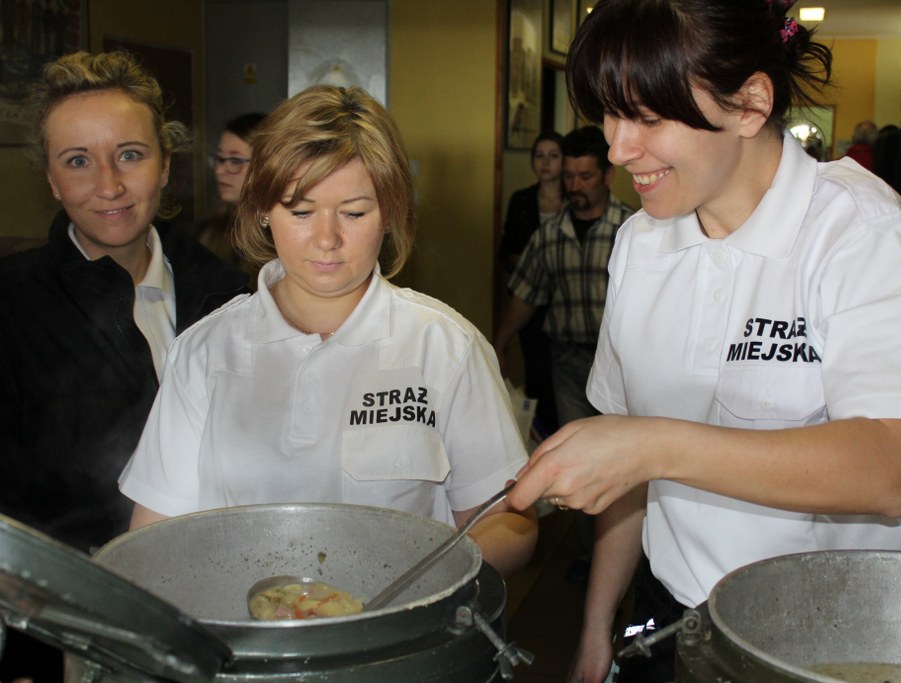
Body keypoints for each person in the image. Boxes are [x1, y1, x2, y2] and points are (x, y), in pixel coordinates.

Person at [503, 2, 901, 682]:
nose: (618, 148)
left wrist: (652, 443)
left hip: (827, 638)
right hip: (674, 615)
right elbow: (627, 472)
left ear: (749, 105)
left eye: (648, 118)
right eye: (608, 113)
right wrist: (598, 629)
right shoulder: (641, 243)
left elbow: (890, 470)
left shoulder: (858, 232)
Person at [118, 85, 538, 579]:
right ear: (263, 214)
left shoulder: (445, 347)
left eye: (354, 212)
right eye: (300, 211)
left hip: (397, 638)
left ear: (390, 216)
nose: (327, 239)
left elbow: (510, 522)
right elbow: (152, 537)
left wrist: (418, 583)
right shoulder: (204, 352)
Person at [0, 50, 249, 681]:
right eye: (78, 161)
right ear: (52, 181)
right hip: (69, 629)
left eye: (130, 155)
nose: (107, 185)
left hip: (228, 607)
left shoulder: (229, 295)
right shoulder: (11, 304)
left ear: (166, 165)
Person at [494, 125, 633, 581]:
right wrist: (499, 343)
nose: (575, 185)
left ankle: (632, 559)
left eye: (586, 176)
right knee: (577, 459)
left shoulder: (633, 231)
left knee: (624, 463)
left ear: (607, 176)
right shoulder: (549, 234)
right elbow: (526, 294)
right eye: (569, 176)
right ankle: (593, 557)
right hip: (570, 362)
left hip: (624, 368)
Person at [498, 131, 565, 436]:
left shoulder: (575, 195)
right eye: (540, 156)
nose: (546, 163)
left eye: (553, 155)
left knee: (564, 375)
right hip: (530, 299)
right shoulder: (522, 199)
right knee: (537, 375)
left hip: (567, 300)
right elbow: (506, 250)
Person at [194, 111, 266, 288]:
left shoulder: (282, 236)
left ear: (266, 166)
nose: (220, 170)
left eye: (235, 160)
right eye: (219, 159)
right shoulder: (206, 233)